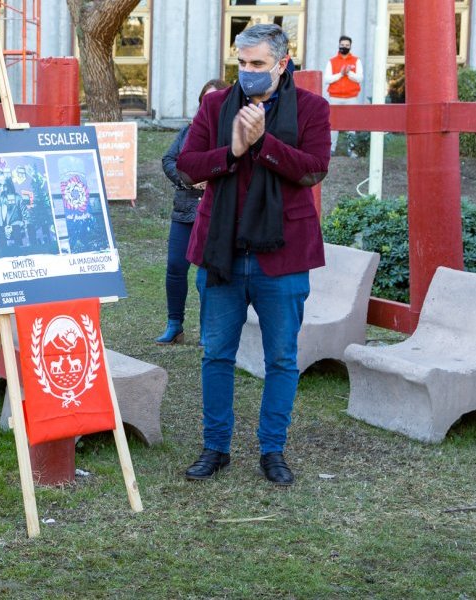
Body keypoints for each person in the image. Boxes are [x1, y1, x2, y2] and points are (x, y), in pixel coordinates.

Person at [176, 24, 330, 486]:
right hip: (221, 251)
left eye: (257, 64)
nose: (247, 73)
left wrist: (262, 145)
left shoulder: (311, 108)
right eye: (241, 64)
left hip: (281, 256)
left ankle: (272, 450)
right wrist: (234, 149)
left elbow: (313, 170)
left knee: (281, 357)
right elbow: (187, 165)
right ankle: (215, 447)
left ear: (282, 64)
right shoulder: (214, 105)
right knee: (216, 354)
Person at [155, 78, 230, 345]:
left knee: (206, 273)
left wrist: (213, 177)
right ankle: (174, 324)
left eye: (215, 98)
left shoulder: (233, 133)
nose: (209, 104)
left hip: (214, 211)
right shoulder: (190, 131)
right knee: (176, 267)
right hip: (185, 209)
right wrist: (189, 179)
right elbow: (169, 160)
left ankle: (207, 330)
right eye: (205, 99)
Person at [325, 35, 363, 154]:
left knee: (351, 124)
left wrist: (349, 73)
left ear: (350, 46)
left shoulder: (356, 60)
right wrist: (340, 74)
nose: (344, 47)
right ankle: (331, 149)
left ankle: (351, 149)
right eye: (342, 45)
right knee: (333, 124)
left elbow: (360, 78)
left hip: (351, 97)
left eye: (347, 45)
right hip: (335, 97)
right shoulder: (332, 61)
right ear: (339, 45)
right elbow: (327, 79)